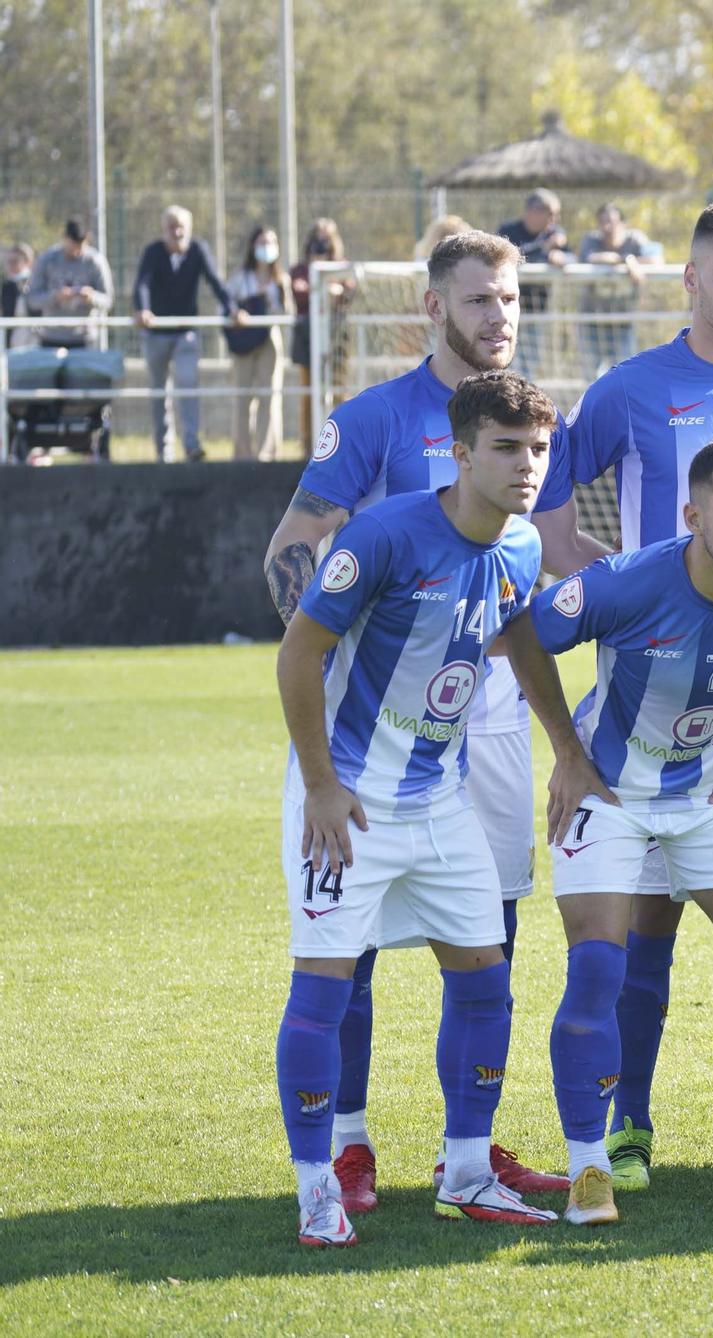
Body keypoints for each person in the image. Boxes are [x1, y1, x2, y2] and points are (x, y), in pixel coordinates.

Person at [262, 230, 579, 1216]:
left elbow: (540, 565)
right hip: (373, 731)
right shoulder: (377, 418)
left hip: (478, 733)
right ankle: (345, 1147)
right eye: (480, 300)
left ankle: (464, 1153)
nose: (499, 317)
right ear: (434, 307)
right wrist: (362, 646)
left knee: (491, 934)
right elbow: (296, 547)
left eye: (511, 299)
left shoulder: (519, 425)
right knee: (344, 945)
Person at [529, 199, 713, 1194]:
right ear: (689, 279)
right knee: (639, 929)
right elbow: (552, 503)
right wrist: (603, 583)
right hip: (643, 675)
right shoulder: (629, 388)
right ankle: (625, 1128)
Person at [502, 437, 713, 1221]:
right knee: (598, 972)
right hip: (613, 795)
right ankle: (590, 1167)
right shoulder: (625, 583)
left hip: (709, 793)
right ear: (693, 516)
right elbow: (523, 629)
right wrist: (564, 748)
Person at [133, 205, 234, 461]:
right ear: (163, 229)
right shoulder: (153, 252)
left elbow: (215, 281)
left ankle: (191, 444)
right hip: (156, 333)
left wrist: (232, 309)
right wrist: (143, 310)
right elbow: (142, 283)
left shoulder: (198, 250)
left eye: (181, 227)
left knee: (187, 383)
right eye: (171, 227)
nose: (176, 232)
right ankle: (162, 449)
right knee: (159, 392)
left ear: (189, 229)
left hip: (185, 333)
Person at [225, 223, 291, 461]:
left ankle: (267, 453)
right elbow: (226, 301)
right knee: (242, 397)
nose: (267, 248)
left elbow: (287, 312)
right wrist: (237, 313)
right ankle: (242, 453)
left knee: (269, 395)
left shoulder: (281, 279)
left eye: (272, 242)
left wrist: (272, 304)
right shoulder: (241, 277)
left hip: (270, 339)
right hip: (244, 340)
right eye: (263, 243)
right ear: (253, 246)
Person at [497, 189, 569, 378]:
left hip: (537, 309)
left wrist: (560, 257)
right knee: (503, 359)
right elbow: (508, 257)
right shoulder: (507, 231)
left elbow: (572, 255)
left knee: (530, 363)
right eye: (551, 214)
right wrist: (543, 249)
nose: (555, 220)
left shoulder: (555, 234)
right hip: (504, 309)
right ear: (533, 212)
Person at [576, 203, 655, 376]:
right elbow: (588, 258)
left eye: (611, 222)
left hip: (622, 321)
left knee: (624, 374)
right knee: (589, 377)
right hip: (592, 320)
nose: (607, 227)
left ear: (623, 224)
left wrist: (632, 260)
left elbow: (656, 259)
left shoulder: (635, 239)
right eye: (602, 222)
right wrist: (624, 260)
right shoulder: (591, 240)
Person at [292, 217, 349, 446]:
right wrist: (319, 286)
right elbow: (300, 295)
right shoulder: (300, 269)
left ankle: (342, 441)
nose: (321, 244)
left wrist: (335, 286)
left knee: (338, 389)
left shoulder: (344, 268)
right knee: (309, 392)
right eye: (317, 238)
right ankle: (308, 443)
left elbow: (348, 295)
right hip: (308, 336)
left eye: (326, 239)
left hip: (337, 334)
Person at [25, 217, 114, 348]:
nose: (77, 251)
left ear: (87, 238)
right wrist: (56, 297)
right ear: (64, 237)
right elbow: (32, 300)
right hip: (51, 337)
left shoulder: (95, 261)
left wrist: (91, 297)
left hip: (85, 339)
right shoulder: (47, 260)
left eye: (81, 245)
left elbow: (108, 300)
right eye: (73, 244)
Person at [1, 244, 32, 347]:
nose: (10, 265)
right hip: (11, 335)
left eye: (15, 261)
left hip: (30, 334)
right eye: (8, 261)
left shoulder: (34, 283)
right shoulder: (7, 285)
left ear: (27, 261)